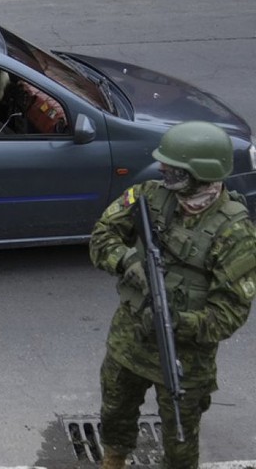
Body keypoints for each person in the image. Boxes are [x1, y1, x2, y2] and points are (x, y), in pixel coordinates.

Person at [89, 121, 256, 469]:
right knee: (115, 413)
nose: (163, 168)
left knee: (180, 441)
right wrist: (128, 262)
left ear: (201, 172)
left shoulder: (234, 231)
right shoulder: (149, 195)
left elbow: (230, 313)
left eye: (173, 166)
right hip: (130, 338)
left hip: (185, 357)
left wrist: (178, 322)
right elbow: (102, 235)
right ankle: (113, 460)